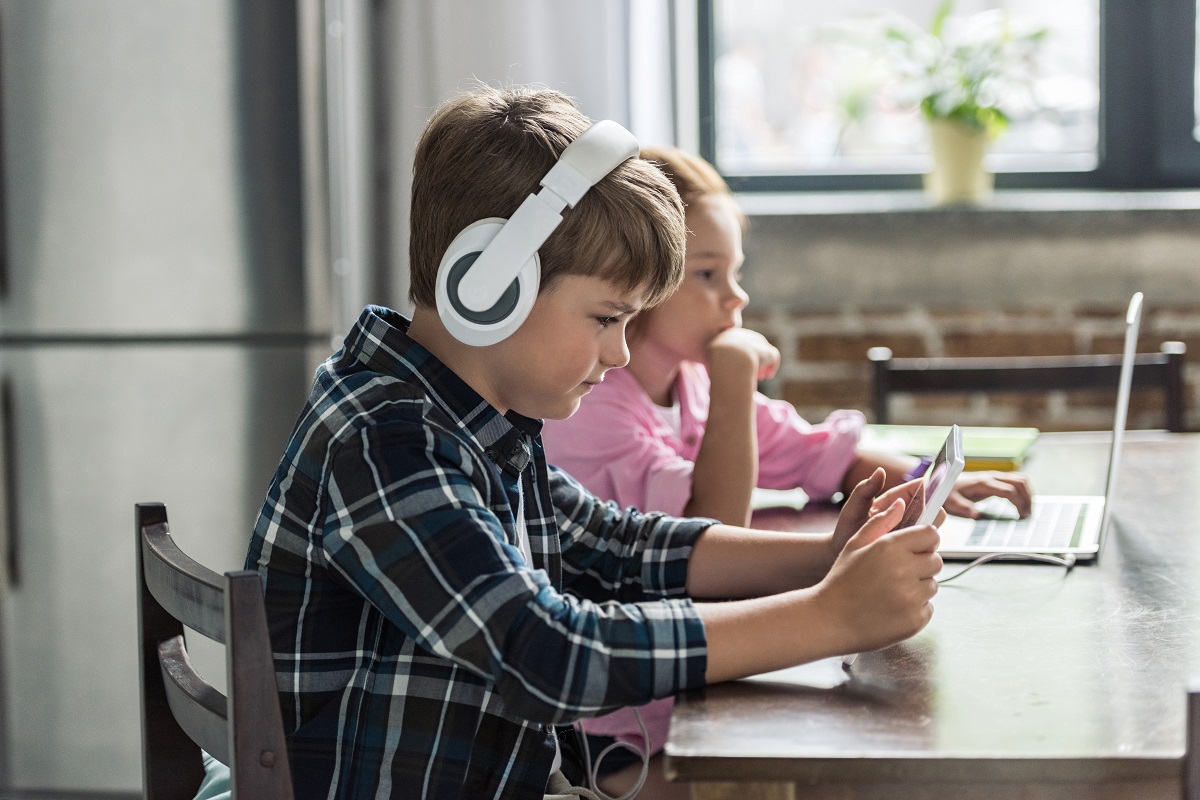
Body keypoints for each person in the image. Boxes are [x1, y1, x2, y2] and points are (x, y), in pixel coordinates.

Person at [241, 86, 942, 800]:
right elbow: (546, 653)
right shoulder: (384, 439)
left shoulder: (474, 421)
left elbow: (618, 546)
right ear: (491, 286)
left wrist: (825, 559)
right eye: (608, 318)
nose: (618, 353)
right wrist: (828, 617)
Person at [540, 146, 1033, 794]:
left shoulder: (690, 383)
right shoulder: (591, 405)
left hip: (689, 699)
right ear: (643, 278)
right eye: (708, 275)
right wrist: (737, 371)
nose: (735, 297)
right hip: (622, 750)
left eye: (734, 273)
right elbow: (710, 521)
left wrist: (918, 483)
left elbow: (816, 453)